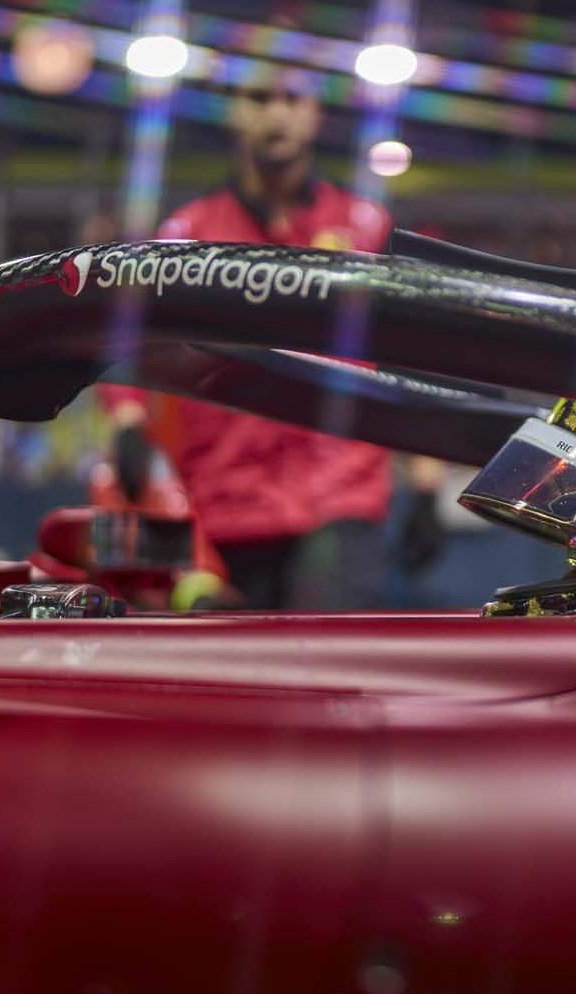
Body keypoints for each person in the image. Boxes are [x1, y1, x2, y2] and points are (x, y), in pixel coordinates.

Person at [101, 67, 397, 610]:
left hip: (339, 498)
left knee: (327, 674)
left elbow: (408, 347)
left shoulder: (368, 227)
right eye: (259, 97)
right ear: (233, 110)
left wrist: (424, 482)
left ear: (316, 114)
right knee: (237, 681)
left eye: (293, 96)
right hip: (225, 503)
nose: (277, 112)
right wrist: (127, 422)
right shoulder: (187, 234)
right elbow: (130, 336)